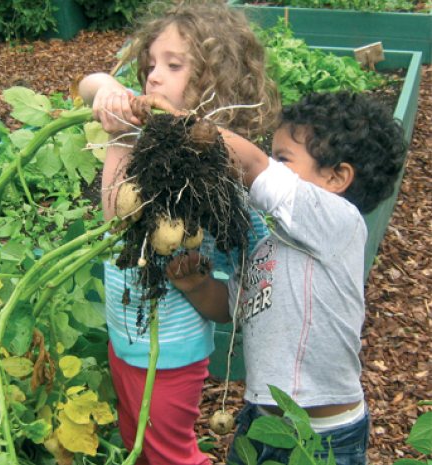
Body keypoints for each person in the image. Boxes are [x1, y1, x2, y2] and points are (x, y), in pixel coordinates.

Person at [159, 90, 407, 465]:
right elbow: (232, 309)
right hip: (260, 421)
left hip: (326, 437)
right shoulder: (264, 246)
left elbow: (254, 166)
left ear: (337, 177)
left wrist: (180, 123)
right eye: (273, 155)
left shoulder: (339, 223)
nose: (272, 164)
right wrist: (197, 285)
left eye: (283, 158)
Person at [78, 2, 279, 464]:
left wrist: (121, 139)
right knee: (137, 445)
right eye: (150, 64)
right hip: (124, 335)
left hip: (170, 350)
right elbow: (88, 82)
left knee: (171, 455)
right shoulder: (144, 124)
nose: (152, 76)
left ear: (215, 84)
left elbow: (118, 212)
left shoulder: (215, 178)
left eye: (173, 66)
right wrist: (107, 89)